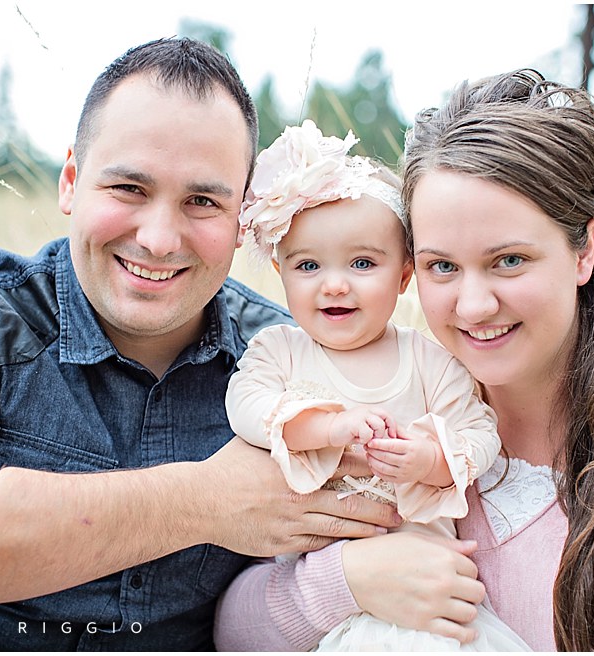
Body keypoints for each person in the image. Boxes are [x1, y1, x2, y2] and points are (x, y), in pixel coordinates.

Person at [0, 37, 400, 652]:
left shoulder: (289, 357)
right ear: (71, 181)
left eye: (202, 201)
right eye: (128, 188)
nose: (157, 238)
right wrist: (206, 499)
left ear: (244, 221)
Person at [214, 69, 594, 651]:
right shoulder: (395, 401)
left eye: (510, 260)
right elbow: (232, 630)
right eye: (444, 266)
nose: (473, 305)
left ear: (584, 250)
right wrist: (346, 583)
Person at [227, 119, 529, 651]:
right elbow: (245, 406)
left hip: (429, 597)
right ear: (280, 270)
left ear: (405, 275)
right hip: (333, 601)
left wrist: (430, 460)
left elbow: (480, 432)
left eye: (363, 262)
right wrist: (327, 426)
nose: (335, 283)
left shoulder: (428, 360)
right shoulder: (280, 351)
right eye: (308, 265)